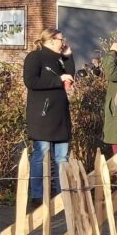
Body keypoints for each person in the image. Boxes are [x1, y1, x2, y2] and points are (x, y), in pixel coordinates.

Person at [23, 28, 75, 205]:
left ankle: (62, 194)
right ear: (52, 40)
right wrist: (57, 81)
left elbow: (70, 76)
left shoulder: (60, 59)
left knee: (61, 157)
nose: (63, 42)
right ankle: (37, 195)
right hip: (42, 115)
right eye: (61, 39)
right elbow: (31, 81)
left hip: (60, 115)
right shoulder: (35, 57)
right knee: (41, 153)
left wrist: (68, 57)